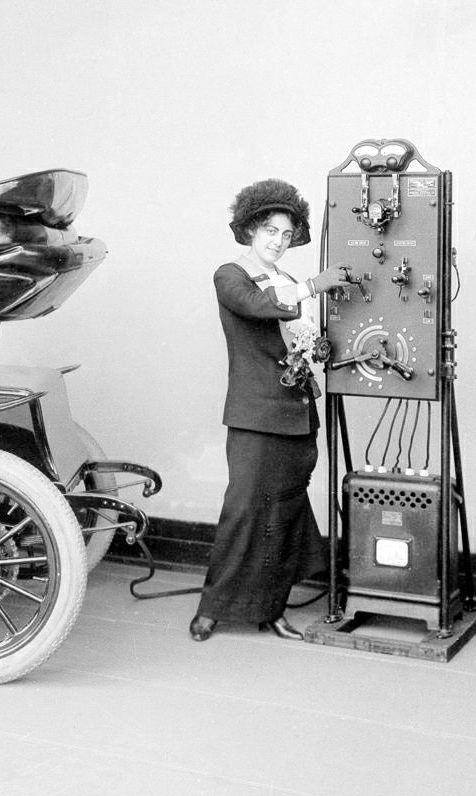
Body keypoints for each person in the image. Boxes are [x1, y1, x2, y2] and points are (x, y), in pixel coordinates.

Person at [189, 178, 351, 642]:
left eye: (285, 234)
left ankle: (272, 609)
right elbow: (258, 307)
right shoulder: (230, 275)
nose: (278, 242)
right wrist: (313, 286)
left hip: (298, 415)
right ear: (249, 232)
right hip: (255, 416)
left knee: (286, 513)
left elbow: (306, 339)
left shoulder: (286, 282)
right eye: (269, 232)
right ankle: (211, 610)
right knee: (243, 512)